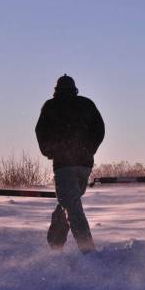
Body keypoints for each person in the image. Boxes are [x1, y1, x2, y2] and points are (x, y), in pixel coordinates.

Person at [35, 74, 105, 253]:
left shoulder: (51, 106)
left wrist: (52, 152)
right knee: (69, 202)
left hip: (64, 165)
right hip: (84, 166)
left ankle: (88, 251)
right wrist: (89, 149)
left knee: (72, 208)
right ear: (75, 88)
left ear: (56, 89)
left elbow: (40, 132)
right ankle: (55, 244)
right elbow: (100, 129)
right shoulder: (86, 104)